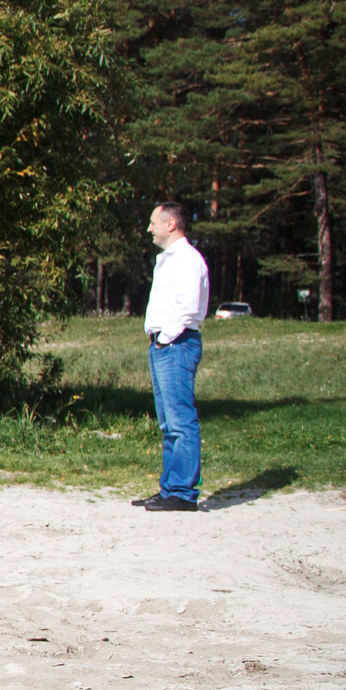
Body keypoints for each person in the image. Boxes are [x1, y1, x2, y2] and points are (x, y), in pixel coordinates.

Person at [137, 200, 210, 512]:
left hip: (176, 344)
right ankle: (171, 488)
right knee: (168, 423)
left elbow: (188, 306)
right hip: (164, 344)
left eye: (154, 221)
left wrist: (166, 338)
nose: (149, 228)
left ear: (171, 224)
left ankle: (182, 492)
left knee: (180, 419)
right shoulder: (169, 259)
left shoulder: (186, 259)